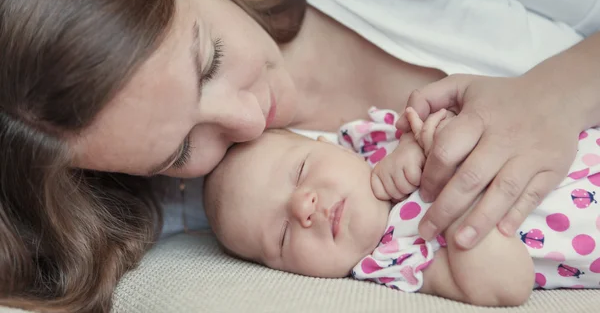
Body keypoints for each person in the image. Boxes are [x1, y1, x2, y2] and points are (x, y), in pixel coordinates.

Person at [1, 0, 600, 311]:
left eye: (209, 61)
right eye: (181, 149)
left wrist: (554, 94)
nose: (245, 121)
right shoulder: (170, 203)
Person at [203, 106, 600, 306]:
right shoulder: (393, 262)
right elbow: (507, 284)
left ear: (328, 144)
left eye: (300, 170)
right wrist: (450, 184)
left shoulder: (385, 139)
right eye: (283, 234)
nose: (302, 207)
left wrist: (433, 138)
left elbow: (475, 111)